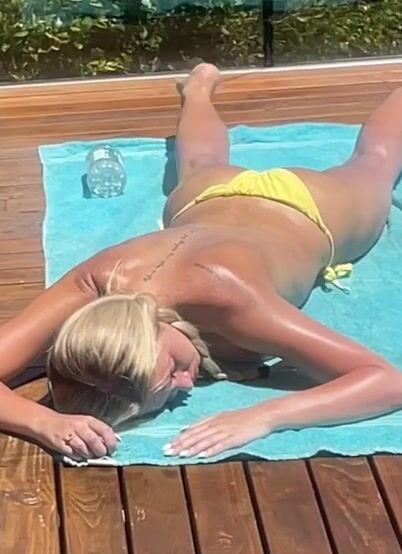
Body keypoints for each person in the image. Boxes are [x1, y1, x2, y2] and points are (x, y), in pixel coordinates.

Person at [1, 63, 402, 462]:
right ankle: (197, 87)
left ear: (151, 334)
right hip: (206, 196)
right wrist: (44, 421)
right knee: (200, 163)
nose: (187, 382)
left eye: (173, 369)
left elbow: (384, 381)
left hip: (309, 207)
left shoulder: (229, 298)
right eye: (172, 388)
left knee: (374, 163)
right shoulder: (102, 277)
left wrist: (265, 416)